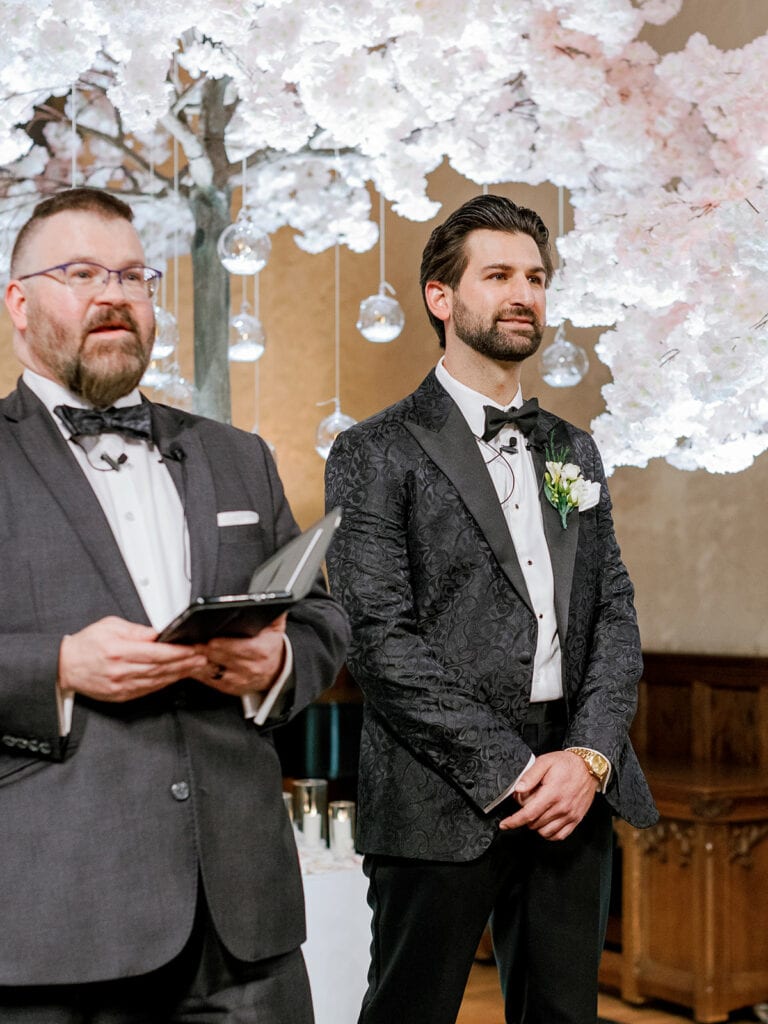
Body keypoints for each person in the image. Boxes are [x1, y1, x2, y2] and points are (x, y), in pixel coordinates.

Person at [0, 187, 349, 1023]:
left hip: (246, 929)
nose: (113, 294)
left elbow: (326, 617)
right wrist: (60, 665)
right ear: (18, 303)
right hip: (58, 925)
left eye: (133, 275)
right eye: (81, 272)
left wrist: (282, 660)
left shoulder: (238, 457)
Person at [325, 193, 658, 1024]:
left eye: (537, 278)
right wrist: (512, 772)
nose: (524, 295)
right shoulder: (375, 450)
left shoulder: (571, 449)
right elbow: (379, 640)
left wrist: (586, 758)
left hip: (573, 791)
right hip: (439, 792)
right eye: (499, 274)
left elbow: (612, 611)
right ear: (443, 298)